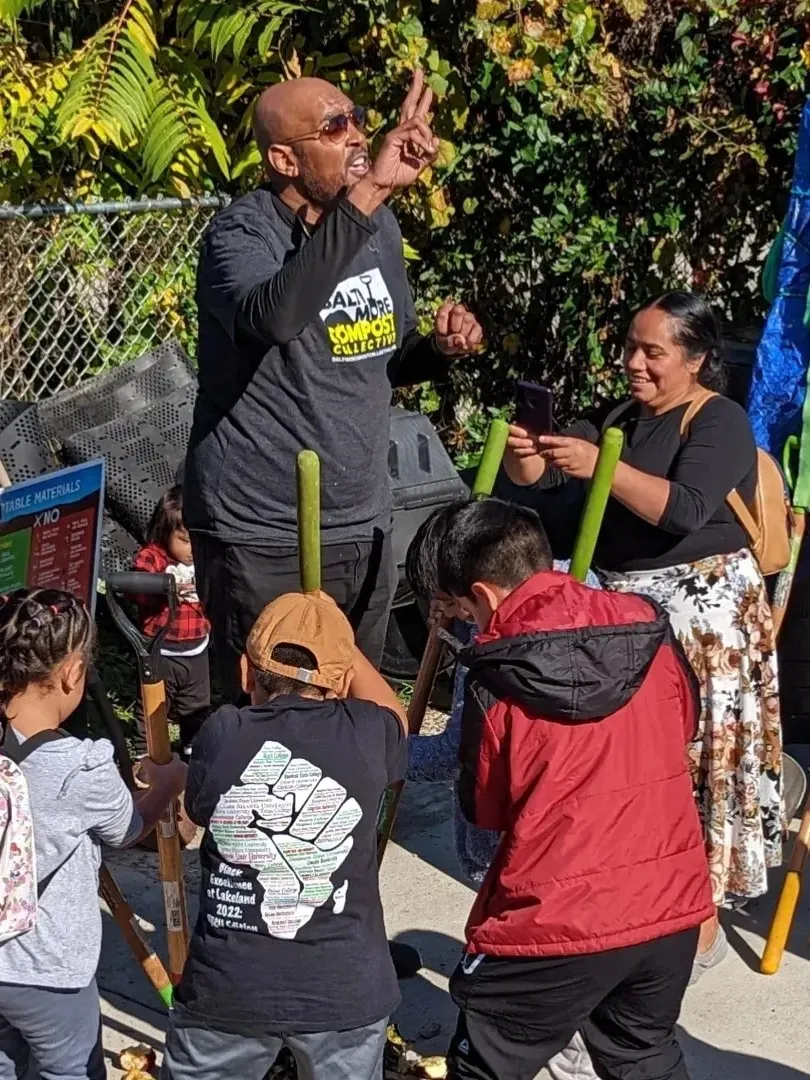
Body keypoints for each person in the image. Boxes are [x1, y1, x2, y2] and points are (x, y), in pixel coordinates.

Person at [504, 290, 782, 976]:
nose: (634, 362)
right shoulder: (621, 417)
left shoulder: (718, 419)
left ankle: (700, 915)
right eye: (631, 346)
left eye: (653, 351)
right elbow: (554, 502)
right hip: (621, 608)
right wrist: (530, 460)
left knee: (680, 768)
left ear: (697, 360)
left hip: (702, 616)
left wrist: (600, 464)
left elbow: (683, 511)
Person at [184, 69, 484, 702]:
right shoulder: (242, 235)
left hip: (362, 518)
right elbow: (276, 316)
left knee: (351, 709)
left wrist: (438, 348)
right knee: (266, 719)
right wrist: (371, 190)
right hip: (262, 530)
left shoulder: (376, 231)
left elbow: (383, 359)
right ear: (283, 159)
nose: (356, 138)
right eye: (333, 126)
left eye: (357, 118)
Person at [417, 500, 713, 1080]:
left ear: (485, 594)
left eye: (459, 609)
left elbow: (486, 808)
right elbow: (686, 725)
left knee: (485, 1066)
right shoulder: (648, 628)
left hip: (556, 920)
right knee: (642, 1054)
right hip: (671, 905)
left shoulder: (496, 675)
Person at [162, 591, 410, 1080]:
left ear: (244, 671)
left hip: (229, 990)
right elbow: (395, 714)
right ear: (340, 684)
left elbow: (198, 810)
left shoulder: (223, 732)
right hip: (348, 992)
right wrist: (347, 648)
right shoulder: (366, 733)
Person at [405, 510, 602, 1080]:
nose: (450, 618)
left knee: (525, 1024)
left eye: (454, 603)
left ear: (478, 591)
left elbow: (456, 756)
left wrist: (376, 751)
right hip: (606, 852)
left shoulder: (498, 654)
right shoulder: (606, 609)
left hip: (531, 863)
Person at [0, 588, 187, 1080]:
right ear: (71, 674)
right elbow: (126, 828)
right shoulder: (78, 768)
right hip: (49, 972)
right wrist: (165, 787)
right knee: (70, 1070)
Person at [133, 485, 211, 756]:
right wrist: (165, 586)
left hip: (196, 648)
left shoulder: (205, 557)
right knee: (153, 705)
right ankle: (148, 753)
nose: (192, 549)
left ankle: (194, 750)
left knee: (196, 704)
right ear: (166, 533)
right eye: (184, 540)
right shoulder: (154, 557)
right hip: (161, 649)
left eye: (196, 540)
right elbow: (138, 586)